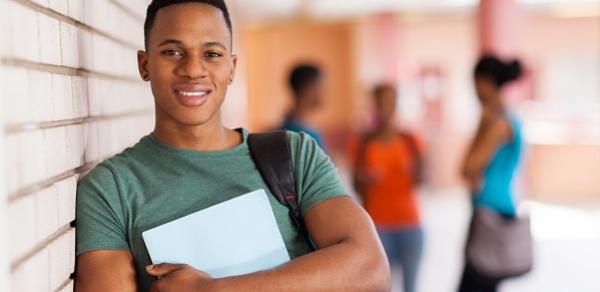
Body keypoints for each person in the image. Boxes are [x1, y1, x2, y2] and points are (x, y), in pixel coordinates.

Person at [74, 1, 390, 291]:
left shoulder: (293, 155)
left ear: (232, 68)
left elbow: (371, 270)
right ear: (144, 65)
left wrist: (214, 289)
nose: (193, 69)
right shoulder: (111, 189)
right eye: (172, 51)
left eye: (211, 54)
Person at [458, 55, 525, 292]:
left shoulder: (497, 122)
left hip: (491, 212)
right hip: (495, 208)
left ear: (486, 81)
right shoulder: (504, 118)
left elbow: (467, 167)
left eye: (475, 82)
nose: (474, 89)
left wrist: (482, 126)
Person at [350, 84, 425, 292]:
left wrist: (414, 171)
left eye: (390, 102)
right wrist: (366, 180)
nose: (385, 107)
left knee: (411, 287)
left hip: (411, 224)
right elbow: (355, 185)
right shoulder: (363, 143)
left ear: (396, 104)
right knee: (383, 286)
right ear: (373, 105)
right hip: (378, 226)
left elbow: (423, 179)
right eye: (380, 102)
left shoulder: (410, 140)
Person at [282, 64, 328, 151]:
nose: (326, 92)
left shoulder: (288, 126)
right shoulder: (303, 136)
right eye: (322, 86)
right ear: (308, 90)